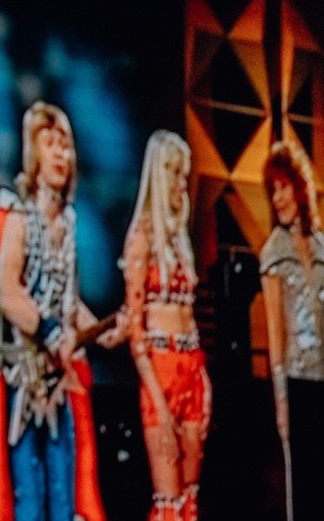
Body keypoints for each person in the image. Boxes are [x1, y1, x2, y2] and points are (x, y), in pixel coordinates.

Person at [0, 102, 111, 521]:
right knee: (29, 500)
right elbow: (9, 292)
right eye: (50, 144)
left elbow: (70, 302)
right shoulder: (19, 217)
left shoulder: (67, 223)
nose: (60, 154)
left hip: (58, 384)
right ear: (34, 153)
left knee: (64, 496)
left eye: (65, 145)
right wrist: (49, 331)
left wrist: (104, 331)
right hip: (23, 383)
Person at [118, 129, 209, 521]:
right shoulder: (140, 240)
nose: (179, 182)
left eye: (183, 172)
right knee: (169, 498)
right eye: (172, 171)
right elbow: (135, 333)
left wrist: (202, 376)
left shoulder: (180, 241)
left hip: (192, 365)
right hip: (161, 368)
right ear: (157, 174)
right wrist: (157, 397)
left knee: (190, 495)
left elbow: (190, 313)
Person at [259, 141, 323, 513]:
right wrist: (281, 402)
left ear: (300, 187)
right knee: (304, 490)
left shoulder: (321, 248)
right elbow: (274, 336)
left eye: (284, 187)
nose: (279, 198)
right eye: (273, 191)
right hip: (298, 385)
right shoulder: (273, 252)